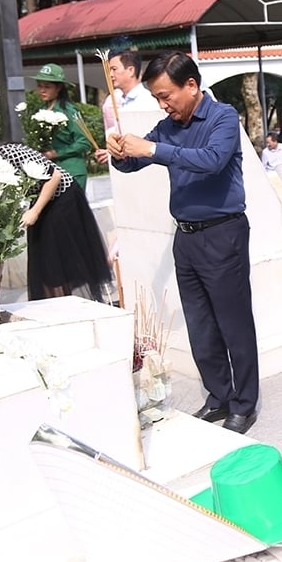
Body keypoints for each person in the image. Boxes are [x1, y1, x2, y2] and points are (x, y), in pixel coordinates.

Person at [106, 51, 260, 435]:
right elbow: (135, 161)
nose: (163, 104)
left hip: (223, 233)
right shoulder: (168, 125)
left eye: (167, 95)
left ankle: (244, 403)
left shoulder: (223, 117)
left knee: (233, 323)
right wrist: (120, 152)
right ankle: (218, 395)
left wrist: (152, 149)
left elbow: (211, 160)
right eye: (157, 97)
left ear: (191, 85)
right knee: (201, 325)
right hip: (186, 236)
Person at [0, 123, 112, 303]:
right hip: (40, 200)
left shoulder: (6, 152)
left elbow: (54, 176)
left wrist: (34, 211)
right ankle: (56, 307)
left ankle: (71, 305)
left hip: (62, 197)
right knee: (43, 262)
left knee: (56, 260)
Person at [30, 63, 92, 191]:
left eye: (47, 87)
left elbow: (84, 141)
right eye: (40, 86)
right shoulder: (41, 111)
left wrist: (57, 153)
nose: (42, 90)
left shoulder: (69, 111)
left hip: (72, 171)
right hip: (50, 173)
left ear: (59, 88)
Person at [96, 50, 161, 164]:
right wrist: (111, 151)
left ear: (131, 70)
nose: (110, 75)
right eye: (109, 70)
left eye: (114, 69)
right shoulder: (113, 100)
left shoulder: (147, 101)